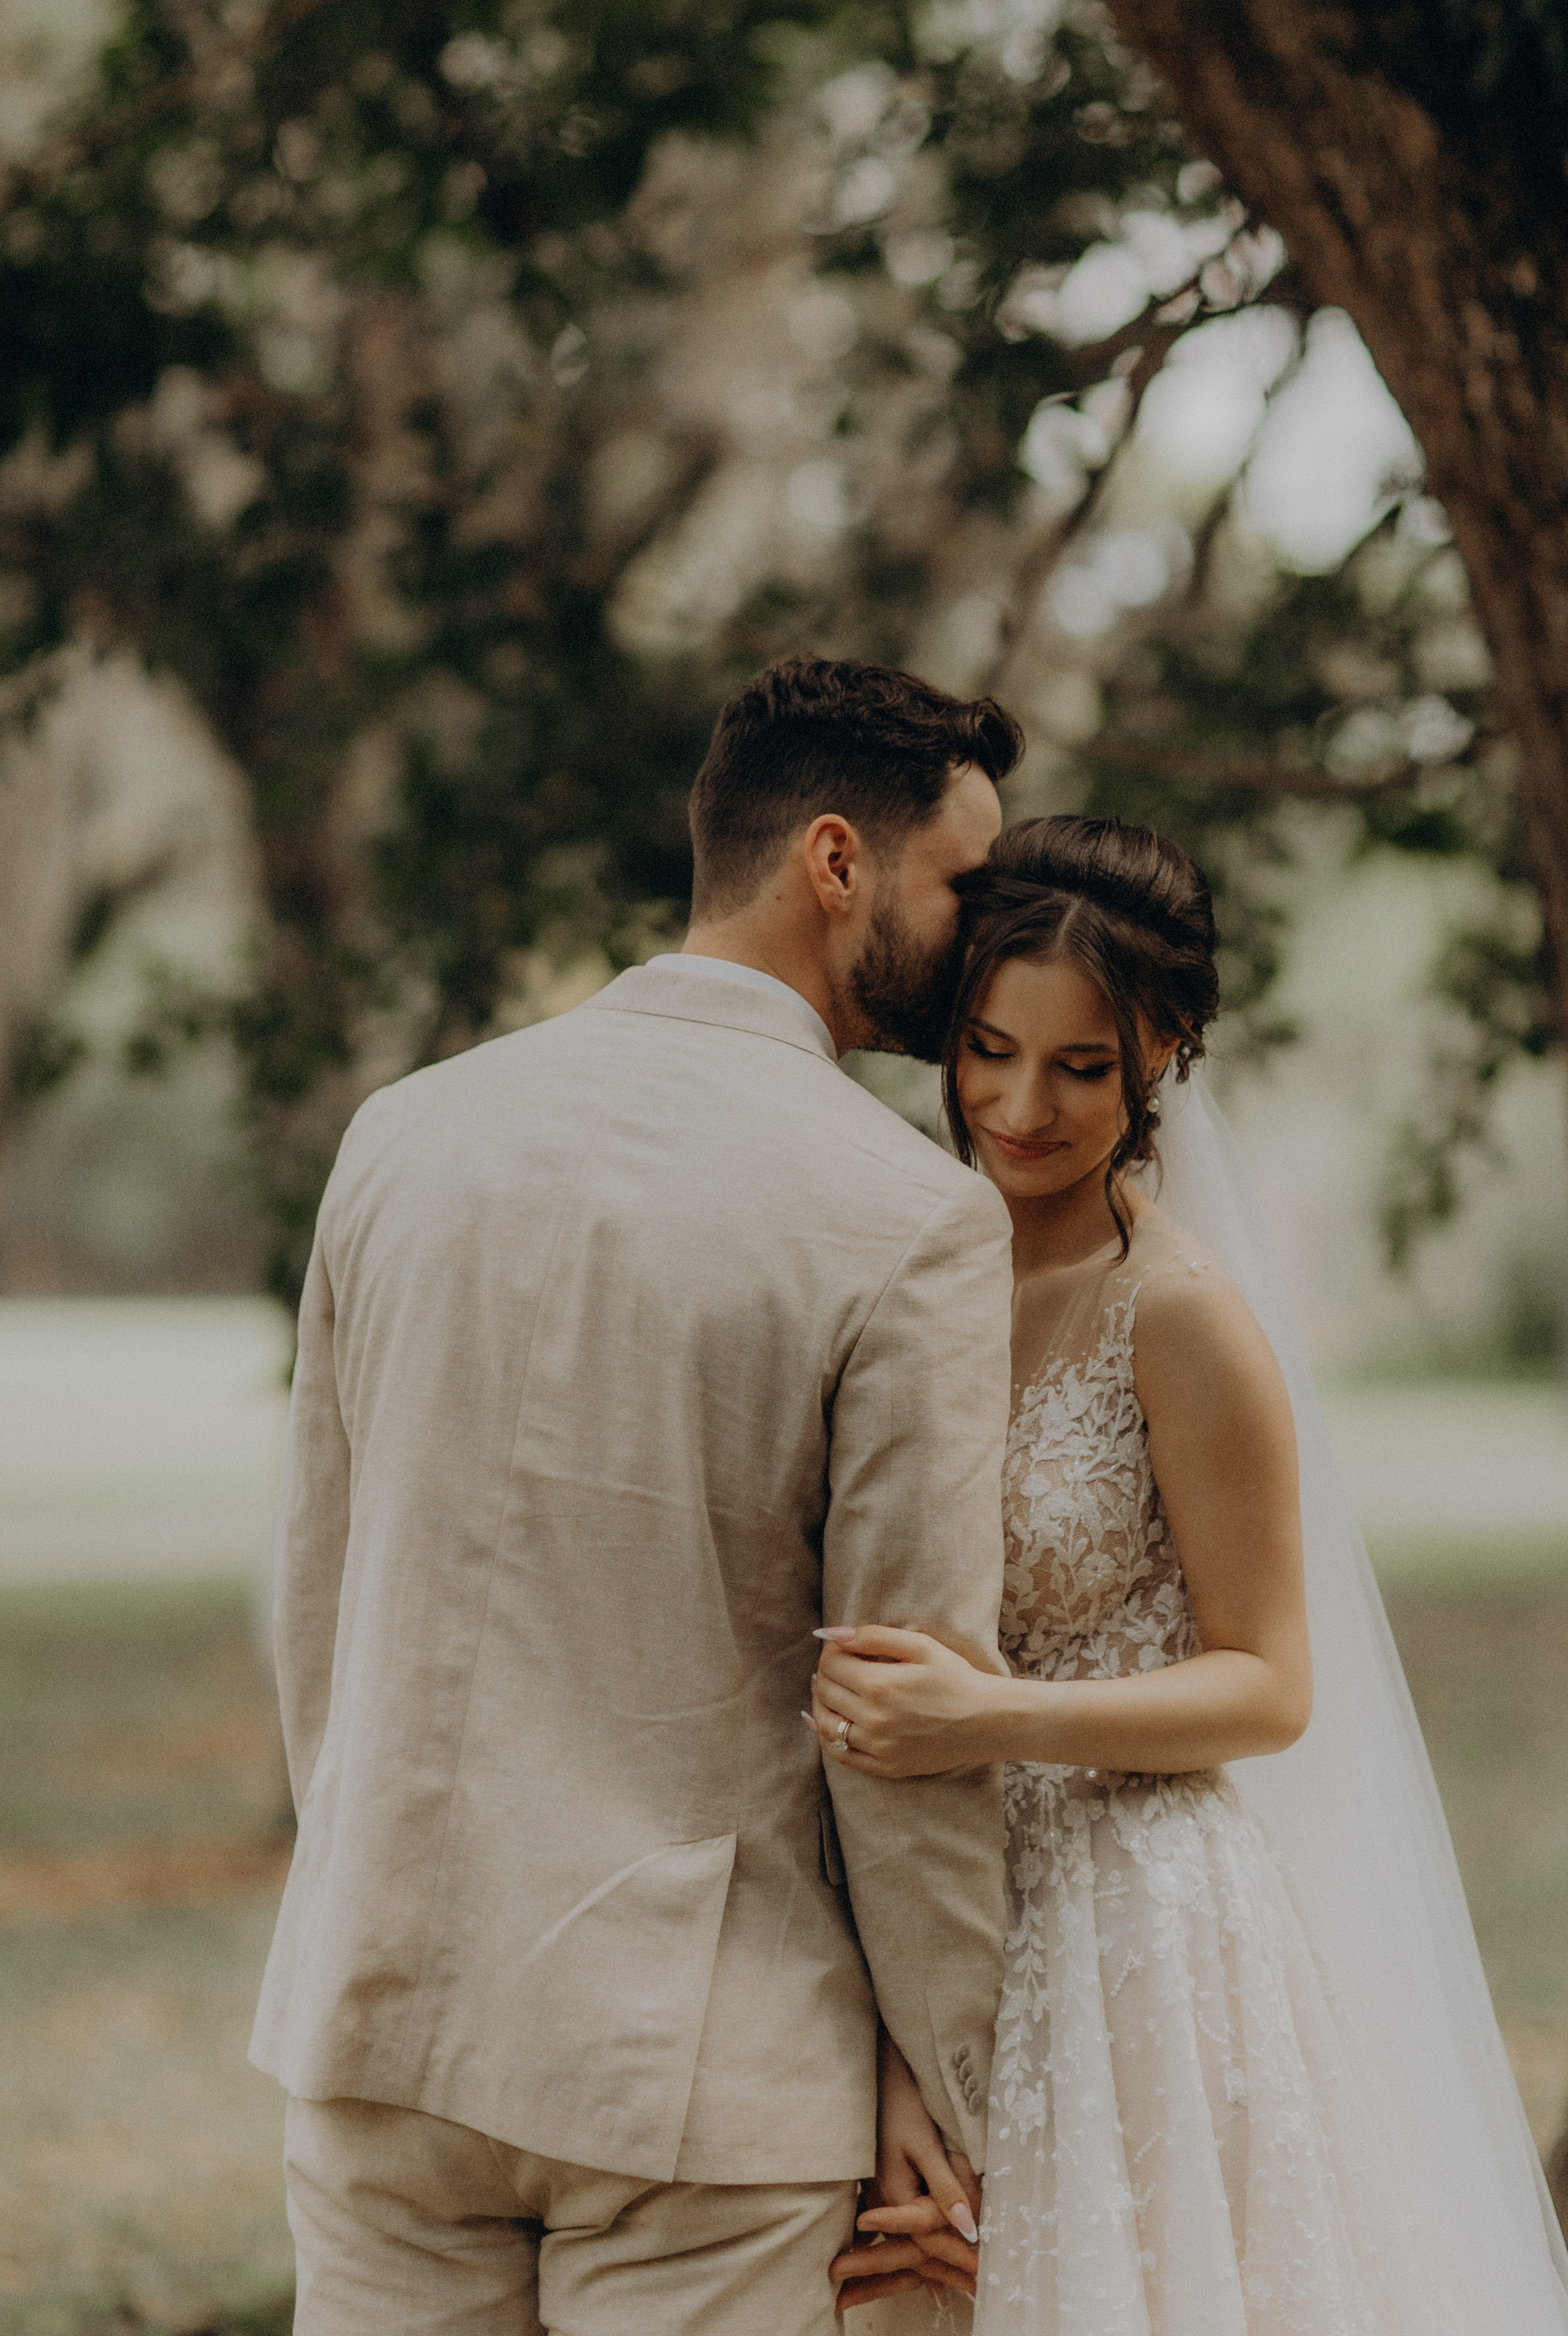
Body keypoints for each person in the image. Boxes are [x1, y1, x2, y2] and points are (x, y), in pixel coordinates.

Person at [250, 656, 1025, 2336]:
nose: (986, 930)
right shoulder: (906, 1217)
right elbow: (900, 1717)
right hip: (706, 2077)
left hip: (378, 2016)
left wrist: (371, 1878)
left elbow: (315, 1595)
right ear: (837, 860)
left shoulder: (402, 1133)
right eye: (964, 881)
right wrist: (961, 2101)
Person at [818, 815, 1568, 2336]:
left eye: (1080, 1068)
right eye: (985, 1049)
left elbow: (1268, 1683)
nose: (1016, 1106)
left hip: (1133, 1929)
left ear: (1163, 1050)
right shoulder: (910, 1270)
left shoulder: (1175, 1315)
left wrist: (991, 1720)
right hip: (937, 1894)